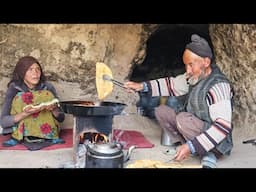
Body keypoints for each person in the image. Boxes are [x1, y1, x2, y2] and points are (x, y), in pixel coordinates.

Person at [124, 34, 234, 168]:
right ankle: (190, 146)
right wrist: (141, 86)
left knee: (183, 119)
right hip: (194, 127)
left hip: (218, 142)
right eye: (185, 65)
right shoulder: (194, 76)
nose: (187, 70)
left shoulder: (218, 86)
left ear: (206, 62)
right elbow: (171, 84)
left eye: (190, 65)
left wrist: (191, 146)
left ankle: (208, 152)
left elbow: (223, 127)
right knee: (161, 111)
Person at [0, 56, 65, 147]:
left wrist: (54, 109)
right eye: (30, 69)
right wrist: (25, 113)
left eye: (38, 69)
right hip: (21, 134)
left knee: (46, 95)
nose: (36, 73)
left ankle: (51, 136)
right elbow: (3, 121)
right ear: (22, 73)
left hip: (47, 134)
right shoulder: (14, 88)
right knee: (20, 97)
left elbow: (61, 118)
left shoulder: (47, 87)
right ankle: (17, 137)